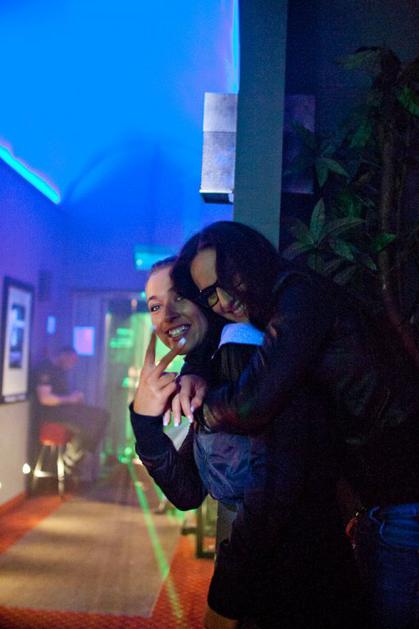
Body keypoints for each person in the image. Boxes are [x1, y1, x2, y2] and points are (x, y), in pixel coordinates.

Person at [171, 219, 419, 629]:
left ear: (253, 261)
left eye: (231, 280)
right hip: (383, 501)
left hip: (405, 498)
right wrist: (194, 369)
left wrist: (196, 405)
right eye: (211, 293)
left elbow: (251, 404)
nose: (225, 300)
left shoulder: (299, 297)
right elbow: (214, 332)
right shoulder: (276, 306)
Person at [131, 258, 364, 628]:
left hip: (299, 583)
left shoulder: (243, 351)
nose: (167, 316)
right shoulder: (213, 367)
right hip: (271, 573)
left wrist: (225, 599)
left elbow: (274, 488)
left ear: (206, 296)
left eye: (180, 296)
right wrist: (143, 420)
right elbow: (187, 492)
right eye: (155, 306)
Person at [32, 346, 109, 477]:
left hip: (64, 411)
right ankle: (71, 460)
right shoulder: (45, 368)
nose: (73, 364)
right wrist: (70, 399)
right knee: (88, 425)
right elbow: (45, 399)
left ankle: (81, 455)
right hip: (51, 414)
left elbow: (63, 395)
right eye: (72, 360)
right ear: (63, 355)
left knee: (102, 416)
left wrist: (75, 397)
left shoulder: (61, 370)